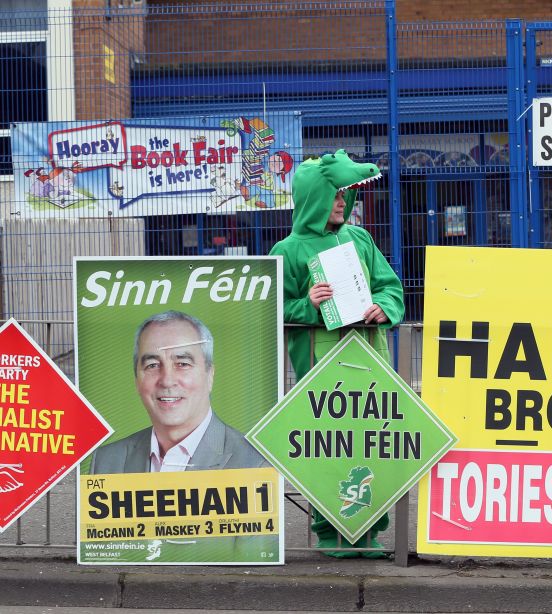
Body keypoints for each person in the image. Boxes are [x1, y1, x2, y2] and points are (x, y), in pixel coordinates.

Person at [269, 148, 405, 558]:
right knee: (327, 449)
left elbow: (389, 286)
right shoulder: (286, 250)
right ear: (315, 196)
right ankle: (330, 531)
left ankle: (370, 531)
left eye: (345, 194)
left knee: (372, 449)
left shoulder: (360, 238)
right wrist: (306, 305)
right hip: (320, 367)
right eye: (335, 194)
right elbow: (272, 307)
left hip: (370, 360)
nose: (343, 201)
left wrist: (385, 307)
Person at [90, 310, 268, 474]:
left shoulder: (256, 462)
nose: (167, 380)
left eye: (182, 364)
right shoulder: (107, 461)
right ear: (137, 380)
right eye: (152, 365)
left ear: (209, 375)